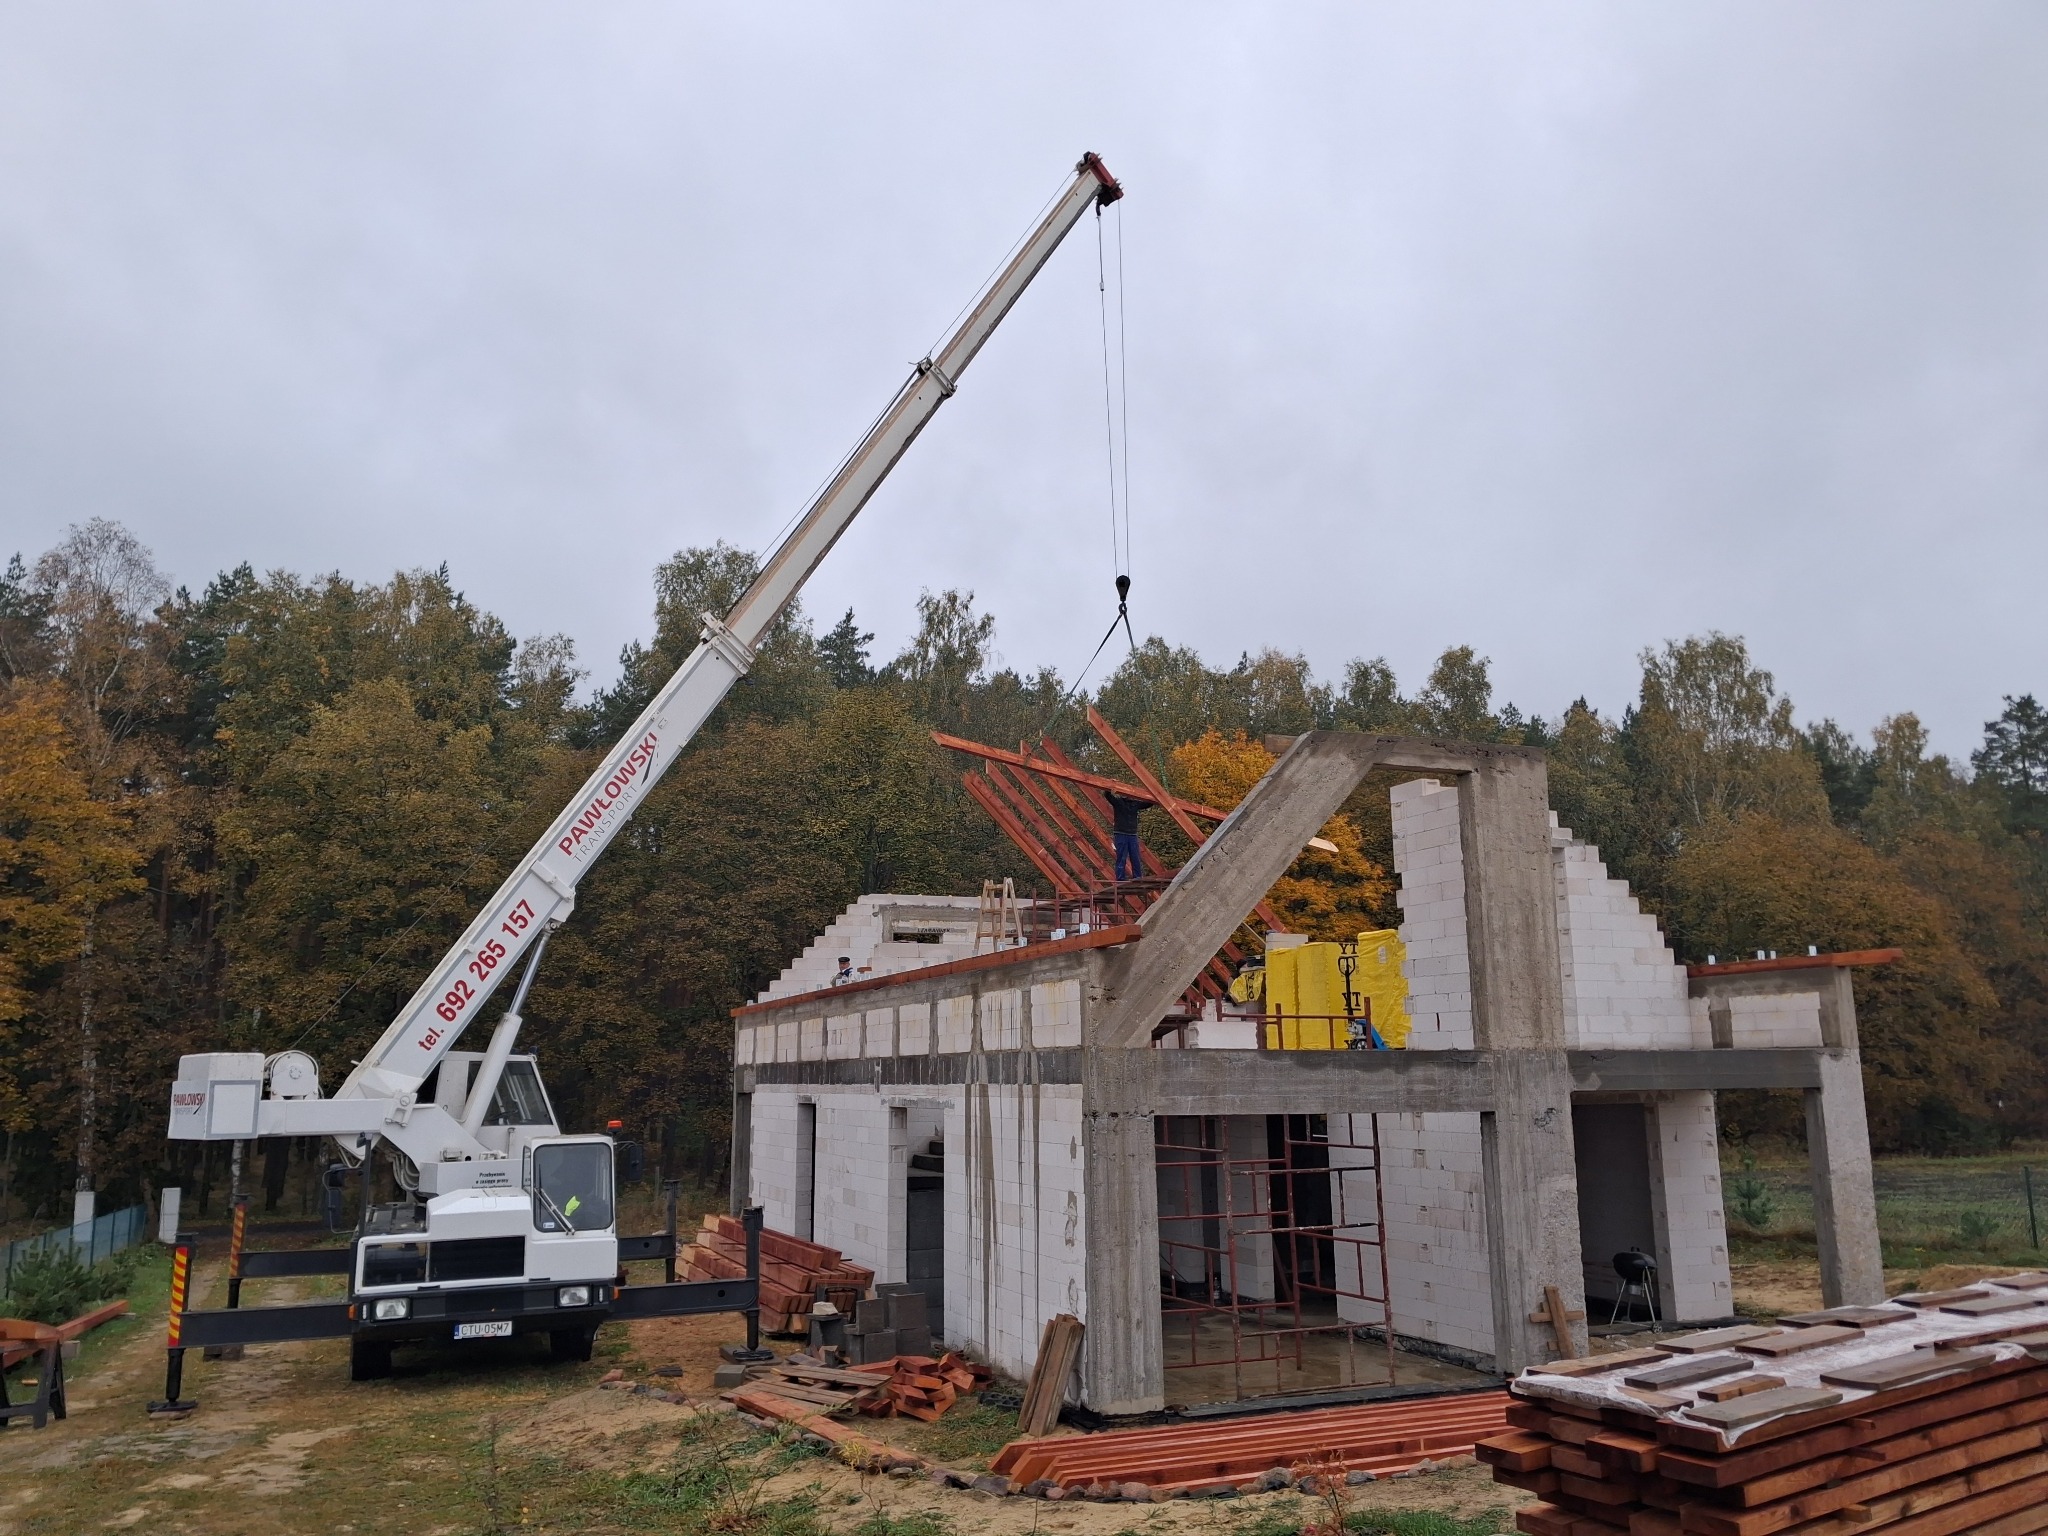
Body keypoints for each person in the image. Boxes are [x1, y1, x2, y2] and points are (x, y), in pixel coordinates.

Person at [1105, 791, 1146, 882]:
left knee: (1134, 857)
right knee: (1122, 857)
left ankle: (1137, 877)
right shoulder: (1119, 802)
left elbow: (1148, 803)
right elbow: (1108, 796)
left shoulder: (1135, 804)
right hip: (1121, 833)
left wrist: (1153, 796)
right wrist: (1110, 787)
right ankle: (1121, 878)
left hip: (1131, 834)